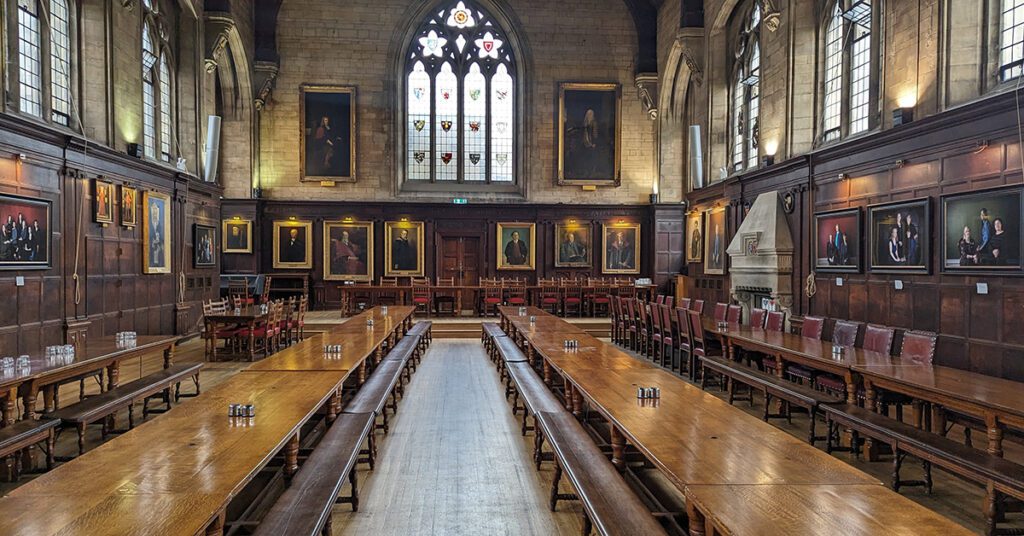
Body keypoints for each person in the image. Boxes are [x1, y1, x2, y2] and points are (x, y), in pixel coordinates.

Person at [149, 201, 165, 268]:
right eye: (153, 210)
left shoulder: (160, 223)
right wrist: (152, 242)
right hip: (152, 246)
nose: (155, 212)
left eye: (156, 210)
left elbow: (162, 237)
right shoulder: (149, 223)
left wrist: (159, 241)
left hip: (158, 246)